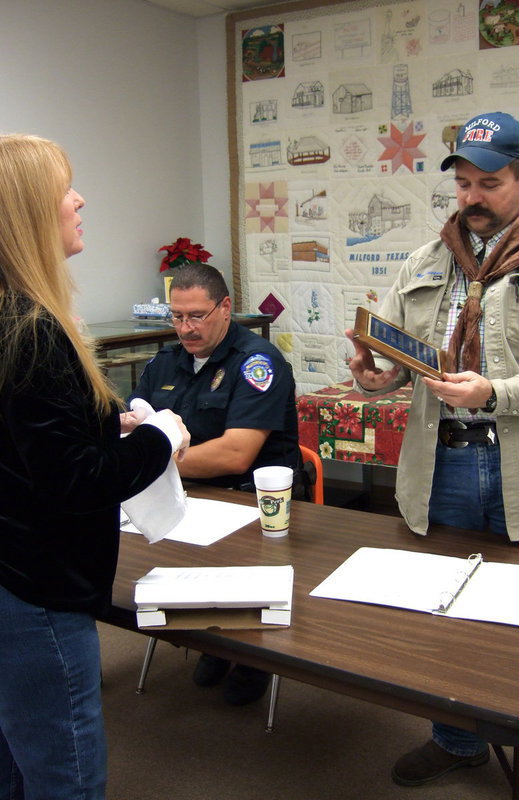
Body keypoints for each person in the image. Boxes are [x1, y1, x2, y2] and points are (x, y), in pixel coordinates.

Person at [346, 112, 519, 795]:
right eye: (462, 184)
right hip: (443, 463)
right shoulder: (427, 261)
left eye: (489, 183)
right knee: (443, 618)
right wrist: (378, 376)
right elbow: (400, 360)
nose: (472, 198)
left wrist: (496, 390)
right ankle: (456, 743)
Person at [0, 134, 190, 800]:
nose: (79, 200)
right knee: (65, 774)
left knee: (16, 762)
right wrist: (162, 435)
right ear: (28, 212)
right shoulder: (33, 329)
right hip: (37, 594)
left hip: (10, 578)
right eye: (65, 189)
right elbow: (76, 480)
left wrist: (110, 424)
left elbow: (23, 439)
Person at [130, 262, 302, 705]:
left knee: (236, 566)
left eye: (196, 316)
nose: (185, 328)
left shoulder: (257, 362)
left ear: (225, 308)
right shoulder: (166, 361)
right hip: (188, 495)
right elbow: (135, 429)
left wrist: (148, 459)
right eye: (177, 316)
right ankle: (212, 638)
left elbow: (234, 454)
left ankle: (251, 656)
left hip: (250, 503)